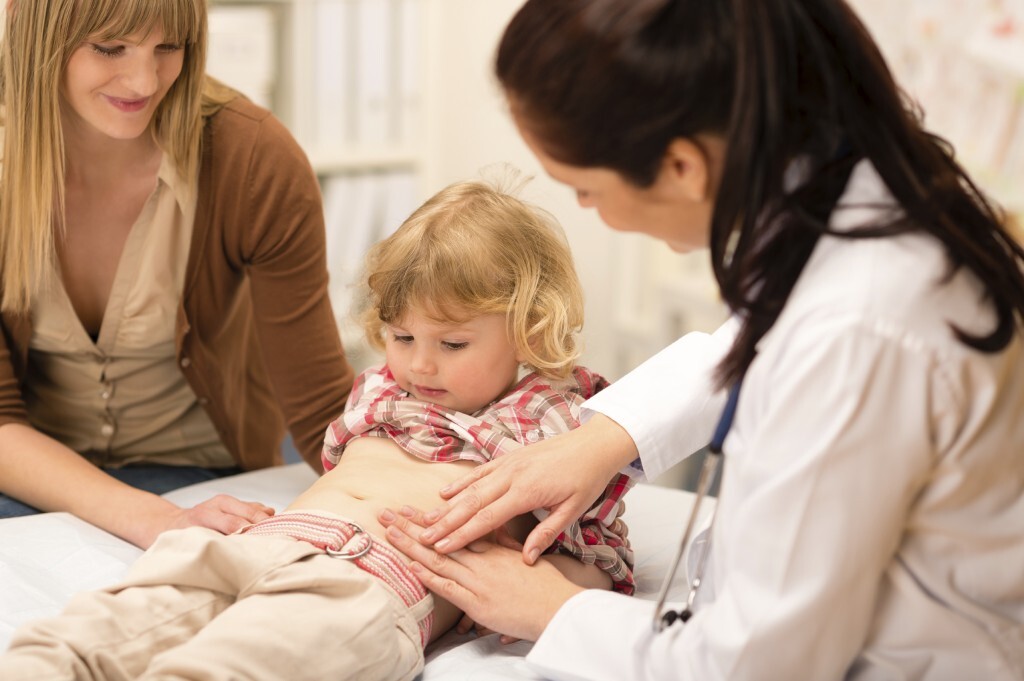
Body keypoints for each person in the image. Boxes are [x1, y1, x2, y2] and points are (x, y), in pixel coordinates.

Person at [378, 1, 1024, 679]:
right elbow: (762, 340)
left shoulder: (861, 321)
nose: (586, 210)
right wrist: (607, 437)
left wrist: (550, 608)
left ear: (683, 166)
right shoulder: (851, 192)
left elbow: (754, 665)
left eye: (586, 190)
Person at [0, 178, 634, 680]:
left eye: (454, 343)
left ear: (529, 328)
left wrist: (544, 596)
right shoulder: (386, 386)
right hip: (261, 544)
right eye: (402, 335)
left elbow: (602, 558)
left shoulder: (562, 421)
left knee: (232, 667)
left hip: (374, 584)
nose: (418, 362)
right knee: (87, 635)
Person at [0, 0, 354, 547]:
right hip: (33, 474)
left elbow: (323, 414)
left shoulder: (252, 157)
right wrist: (151, 520)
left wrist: (434, 511)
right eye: (109, 47)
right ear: (36, 32)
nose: (145, 80)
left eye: (169, 47)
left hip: (195, 477)